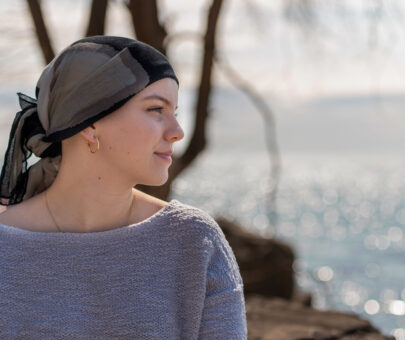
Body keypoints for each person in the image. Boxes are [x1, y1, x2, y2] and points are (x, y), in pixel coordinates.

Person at [0, 36, 246, 339]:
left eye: (175, 113)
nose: (177, 132)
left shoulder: (194, 241)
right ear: (89, 122)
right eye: (156, 109)